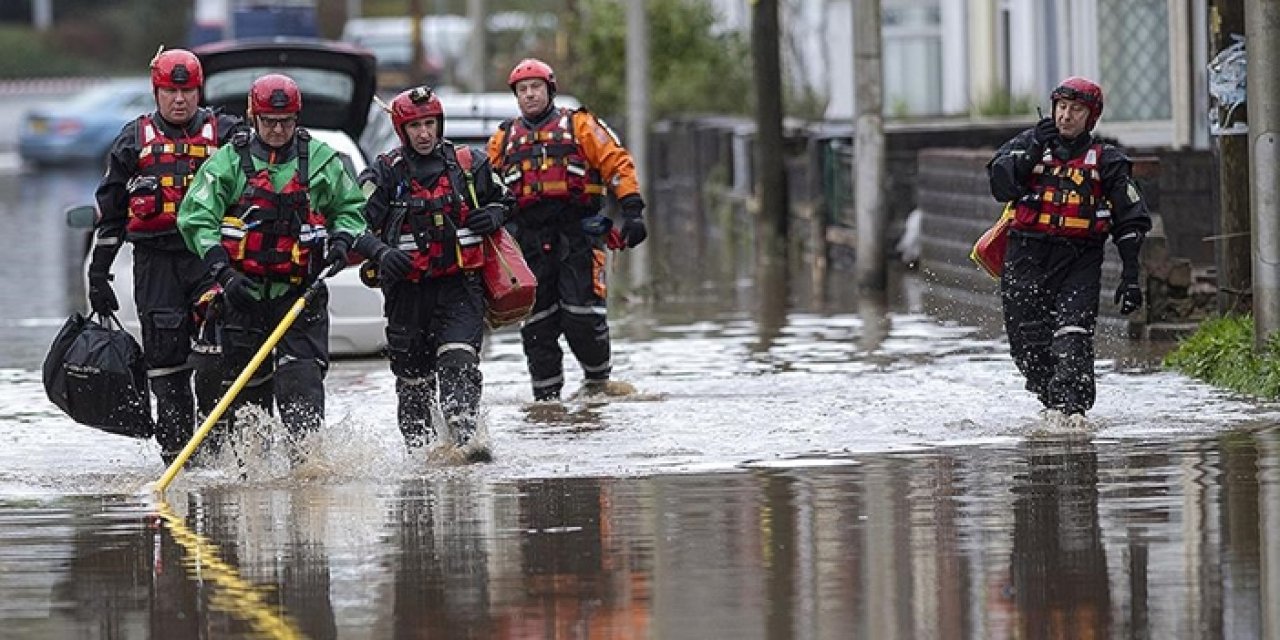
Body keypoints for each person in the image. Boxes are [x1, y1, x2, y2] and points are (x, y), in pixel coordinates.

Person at [176, 73, 368, 460]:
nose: (278, 130)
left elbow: (351, 209)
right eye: (269, 122)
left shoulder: (320, 160)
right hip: (242, 297)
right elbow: (196, 218)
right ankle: (252, 486)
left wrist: (343, 240)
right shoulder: (227, 163)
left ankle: (306, 481)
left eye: (286, 122)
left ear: (297, 118)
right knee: (249, 409)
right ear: (253, 117)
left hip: (300, 298)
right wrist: (223, 274)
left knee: (302, 392)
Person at [87, 47, 246, 465]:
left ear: (199, 91)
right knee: (166, 367)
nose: (180, 100)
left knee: (215, 355)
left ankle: (217, 453)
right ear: (156, 92)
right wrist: (98, 275)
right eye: (171, 91)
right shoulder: (131, 141)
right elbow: (111, 214)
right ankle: (178, 457)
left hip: (211, 261)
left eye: (188, 90)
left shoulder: (228, 135)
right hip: (156, 265)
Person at [357, 86, 515, 462]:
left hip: (459, 288)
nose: (425, 133)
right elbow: (351, 223)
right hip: (406, 296)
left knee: (459, 363)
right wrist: (379, 252)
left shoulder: (469, 165)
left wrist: (495, 214)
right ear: (402, 129)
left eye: (430, 124)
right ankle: (422, 459)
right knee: (413, 386)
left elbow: (506, 198)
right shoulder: (383, 174)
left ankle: (464, 443)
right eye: (416, 126)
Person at [987, 76, 1152, 425]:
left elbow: (1131, 221)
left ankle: (1073, 415)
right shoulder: (1026, 144)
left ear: (1090, 118)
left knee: (1073, 337)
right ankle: (1052, 404)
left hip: (1079, 259)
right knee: (1027, 347)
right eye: (1061, 108)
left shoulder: (1107, 161)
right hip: (1026, 257)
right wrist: (1032, 153)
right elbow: (1001, 185)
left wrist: (1131, 276)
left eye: (1076, 110)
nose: (1065, 116)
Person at [487, 58, 647, 402]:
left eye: (536, 87)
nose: (530, 95)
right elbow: (484, 185)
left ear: (550, 89)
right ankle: (546, 406)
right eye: (523, 89)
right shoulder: (503, 138)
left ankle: (598, 385)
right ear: (516, 96)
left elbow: (616, 162)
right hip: (528, 240)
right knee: (537, 324)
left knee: (582, 316)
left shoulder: (581, 125)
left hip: (578, 234)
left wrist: (632, 209)